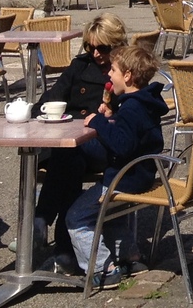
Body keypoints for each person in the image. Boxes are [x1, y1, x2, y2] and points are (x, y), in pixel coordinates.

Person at [54, 44, 168, 287]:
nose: (108, 74)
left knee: (77, 218)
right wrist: (111, 119)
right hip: (142, 175)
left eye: (114, 70)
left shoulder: (131, 108)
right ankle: (130, 257)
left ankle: (102, 269)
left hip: (123, 179)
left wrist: (99, 123)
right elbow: (133, 134)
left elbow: (122, 145)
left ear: (127, 76)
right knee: (111, 216)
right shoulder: (144, 102)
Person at [30, 14, 128, 259]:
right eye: (90, 47)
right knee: (69, 160)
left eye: (103, 48)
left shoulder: (126, 72)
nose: (96, 54)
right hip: (65, 143)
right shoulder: (80, 65)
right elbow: (51, 98)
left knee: (69, 157)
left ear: (118, 45)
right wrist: (35, 112)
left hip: (103, 145)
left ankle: (41, 220)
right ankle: (65, 250)